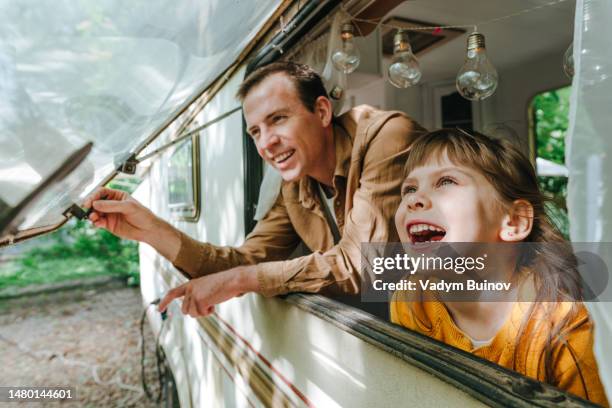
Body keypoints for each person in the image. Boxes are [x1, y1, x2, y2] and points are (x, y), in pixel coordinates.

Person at [85, 61, 426, 317]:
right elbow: (243, 261)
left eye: (278, 119)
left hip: (460, 325)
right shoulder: (294, 186)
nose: (267, 143)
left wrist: (240, 281)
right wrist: (150, 229)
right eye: (256, 132)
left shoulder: (387, 136)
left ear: (322, 111)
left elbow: (365, 267)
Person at [389, 128, 609, 406]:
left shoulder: (565, 326)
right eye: (409, 188)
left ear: (514, 222)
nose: (413, 199)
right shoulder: (411, 301)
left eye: (445, 181)